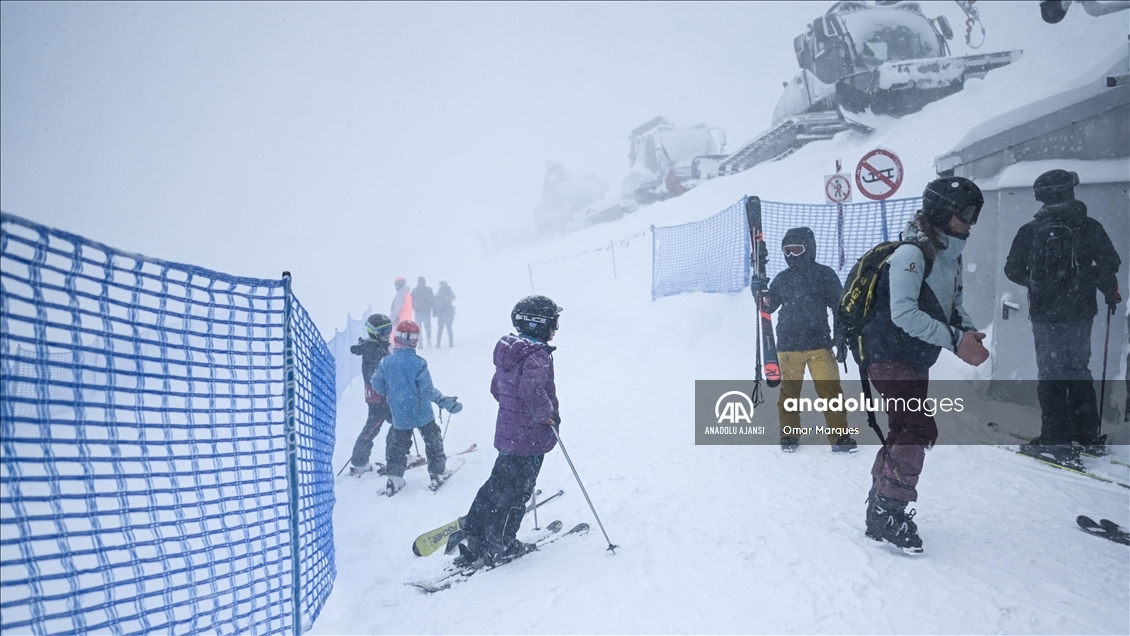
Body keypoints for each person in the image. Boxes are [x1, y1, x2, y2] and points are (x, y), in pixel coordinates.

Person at [862, 177, 989, 554]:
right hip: (889, 354)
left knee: (904, 426)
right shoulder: (912, 255)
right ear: (940, 210)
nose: (972, 222)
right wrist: (954, 341)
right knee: (918, 427)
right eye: (965, 213)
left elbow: (951, 303)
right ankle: (888, 509)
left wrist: (966, 330)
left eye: (976, 213)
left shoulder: (949, 253)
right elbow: (903, 313)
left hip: (915, 355)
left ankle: (879, 504)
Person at [1004, 169, 1121, 464]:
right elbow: (1110, 262)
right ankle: (1086, 436)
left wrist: (1037, 282)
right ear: (1070, 192)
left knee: (1051, 373)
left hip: (1045, 314)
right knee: (1078, 369)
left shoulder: (1030, 231)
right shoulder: (1088, 226)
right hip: (1081, 311)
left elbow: (1011, 269)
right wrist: (1103, 288)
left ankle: (1055, 440)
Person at [451, 295, 563, 568]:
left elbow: (497, 388)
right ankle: (502, 543)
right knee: (517, 492)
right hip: (530, 437)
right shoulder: (536, 356)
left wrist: (514, 412)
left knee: (497, 483)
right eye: (553, 323)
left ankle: (475, 532)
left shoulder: (511, 353)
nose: (556, 329)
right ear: (538, 325)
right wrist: (545, 415)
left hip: (509, 435)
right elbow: (531, 390)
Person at [763, 227, 857, 454]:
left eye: (797, 250)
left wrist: (841, 336)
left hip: (820, 346)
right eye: (788, 251)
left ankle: (840, 437)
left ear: (810, 249)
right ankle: (789, 435)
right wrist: (760, 293)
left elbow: (839, 306)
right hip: (788, 348)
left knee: (831, 392)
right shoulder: (782, 279)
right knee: (789, 394)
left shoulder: (824, 275)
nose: (792, 256)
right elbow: (768, 306)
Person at [370, 320, 462, 495]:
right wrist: (443, 401)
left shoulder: (386, 362)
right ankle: (438, 472)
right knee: (433, 440)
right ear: (414, 340)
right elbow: (427, 390)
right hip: (422, 412)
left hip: (400, 414)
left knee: (398, 445)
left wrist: (393, 394)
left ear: (396, 338)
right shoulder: (419, 362)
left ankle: (395, 478)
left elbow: (377, 384)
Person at [347, 314, 394, 476]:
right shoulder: (373, 351)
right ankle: (392, 458)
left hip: (380, 396)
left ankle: (363, 460)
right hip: (379, 397)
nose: (387, 333)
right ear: (373, 332)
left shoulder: (376, 347)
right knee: (389, 425)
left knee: (379, 426)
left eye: (389, 329)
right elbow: (375, 377)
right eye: (383, 331)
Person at [413, 277, 435, 348]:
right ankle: (426, 341)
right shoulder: (428, 290)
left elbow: (411, 301)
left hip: (420, 312)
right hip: (424, 312)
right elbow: (432, 301)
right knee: (426, 327)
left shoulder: (415, 290)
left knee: (420, 328)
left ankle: (421, 343)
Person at [434, 281, 456, 347]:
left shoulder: (443, 292)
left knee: (444, 328)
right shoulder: (440, 293)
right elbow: (435, 302)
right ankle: (442, 343)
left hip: (445, 313)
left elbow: (452, 297)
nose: (441, 286)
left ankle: (443, 343)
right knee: (445, 328)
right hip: (445, 313)